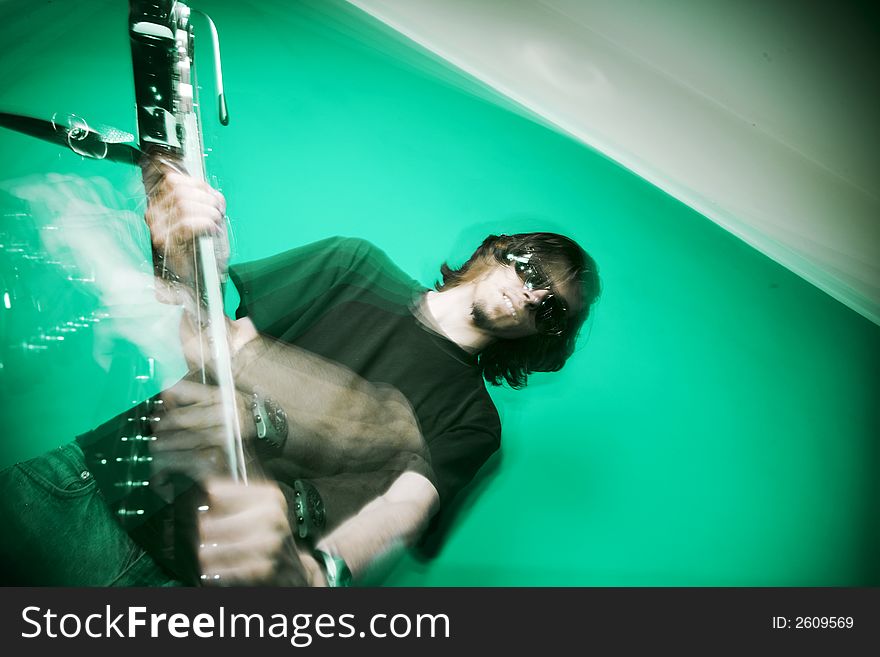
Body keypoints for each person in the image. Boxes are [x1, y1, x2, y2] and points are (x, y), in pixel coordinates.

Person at [0, 161, 600, 586]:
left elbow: (402, 509)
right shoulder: (353, 264)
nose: (530, 293)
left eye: (551, 306)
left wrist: (320, 574)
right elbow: (201, 325)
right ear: (499, 250)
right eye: (531, 267)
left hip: (199, 589)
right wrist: (188, 238)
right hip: (96, 485)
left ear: (546, 339)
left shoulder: (475, 421)